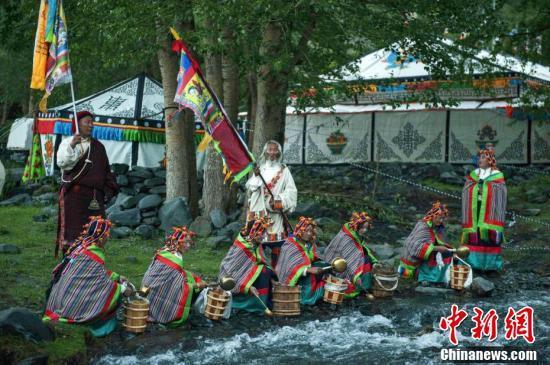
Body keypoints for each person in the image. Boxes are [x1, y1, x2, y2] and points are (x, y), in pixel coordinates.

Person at [43, 216, 132, 337]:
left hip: (60, 298)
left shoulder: (82, 246)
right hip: (70, 307)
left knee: (114, 287)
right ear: (101, 238)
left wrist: (117, 276)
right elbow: (99, 281)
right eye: (107, 235)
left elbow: (93, 273)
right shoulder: (93, 252)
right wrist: (121, 288)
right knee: (113, 293)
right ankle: (100, 327)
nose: (108, 237)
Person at [56, 111, 118, 257]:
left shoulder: (98, 147)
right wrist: (72, 145)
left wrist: (108, 190)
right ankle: (71, 260)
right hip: (75, 197)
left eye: (92, 122)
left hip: (95, 197)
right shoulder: (67, 143)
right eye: (87, 122)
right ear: (77, 124)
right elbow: (63, 163)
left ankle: (93, 259)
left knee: (96, 229)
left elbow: (105, 170)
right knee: (75, 230)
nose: (91, 125)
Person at [245, 140, 297, 267]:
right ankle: (257, 272)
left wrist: (279, 200)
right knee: (256, 244)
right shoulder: (260, 169)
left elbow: (291, 191)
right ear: (265, 152)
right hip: (258, 216)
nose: (272, 153)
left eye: (275, 150)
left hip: (275, 216)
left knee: (277, 245)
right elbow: (252, 188)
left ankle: (276, 273)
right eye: (270, 149)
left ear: (279, 152)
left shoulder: (284, 171)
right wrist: (257, 177)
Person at [141, 227, 206, 327]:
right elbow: (176, 285)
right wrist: (196, 286)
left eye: (189, 243)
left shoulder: (165, 250)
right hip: (155, 291)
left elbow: (173, 277)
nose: (188, 246)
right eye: (186, 242)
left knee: (189, 276)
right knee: (188, 288)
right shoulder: (176, 259)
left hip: (146, 287)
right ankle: (159, 314)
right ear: (177, 242)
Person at [461, 148, 506, 272]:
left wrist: (485, 188)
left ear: (490, 160)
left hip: (490, 213)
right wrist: (476, 189)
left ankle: (491, 266)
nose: (479, 160)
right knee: (476, 237)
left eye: (482, 158)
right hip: (475, 212)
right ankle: (474, 264)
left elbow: (501, 193)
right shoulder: (474, 174)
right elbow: (466, 190)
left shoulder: (497, 175)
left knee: (489, 237)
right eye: (479, 158)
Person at [218, 217, 275, 313]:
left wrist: (272, 278)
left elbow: (261, 263)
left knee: (265, 270)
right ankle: (246, 305)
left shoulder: (255, 245)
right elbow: (230, 273)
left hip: (248, 279)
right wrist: (247, 287)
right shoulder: (243, 248)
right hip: (232, 284)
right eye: (262, 233)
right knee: (263, 271)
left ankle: (260, 304)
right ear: (254, 232)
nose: (264, 236)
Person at [324, 212, 378, 298]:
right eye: (362, 228)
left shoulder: (356, 235)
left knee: (367, 259)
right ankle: (358, 286)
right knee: (365, 260)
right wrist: (355, 277)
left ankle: (365, 287)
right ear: (357, 226)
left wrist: (374, 261)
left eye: (366, 228)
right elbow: (346, 260)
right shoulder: (346, 238)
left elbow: (362, 249)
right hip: (336, 267)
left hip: (347, 264)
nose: (365, 230)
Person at [398, 201, 453, 285]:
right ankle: (426, 277)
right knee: (434, 254)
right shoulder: (423, 226)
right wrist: (437, 248)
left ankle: (439, 278)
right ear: (433, 216)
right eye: (440, 218)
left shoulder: (432, 226)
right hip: (410, 266)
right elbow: (415, 246)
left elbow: (435, 241)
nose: (441, 221)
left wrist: (449, 249)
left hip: (416, 264)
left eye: (443, 219)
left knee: (447, 253)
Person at [275, 217, 326, 305]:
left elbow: (314, 257)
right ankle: (304, 298)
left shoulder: (309, 245)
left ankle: (318, 292)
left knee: (323, 265)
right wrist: (308, 270)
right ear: (300, 231)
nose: (309, 234)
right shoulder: (290, 245)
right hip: (292, 280)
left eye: (311, 231)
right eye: (306, 231)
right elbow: (290, 267)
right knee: (311, 275)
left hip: (304, 272)